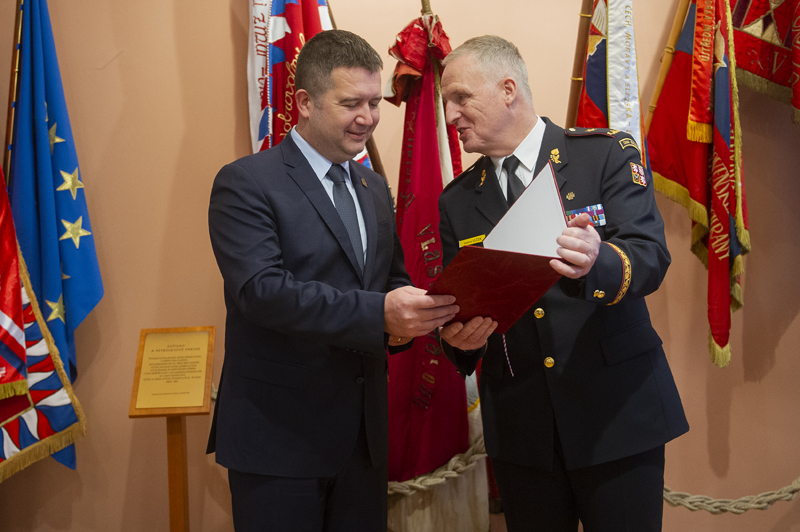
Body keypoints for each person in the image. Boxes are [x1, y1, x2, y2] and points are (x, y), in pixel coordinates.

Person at [206, 29, 458, 532]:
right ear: (304, 102)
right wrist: (379, 314)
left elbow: (390, 280)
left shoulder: (372, 187)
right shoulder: (246, 181)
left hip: (363, 443)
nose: (368, 117)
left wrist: (418, 317)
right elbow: (261, 291)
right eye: (350, 104)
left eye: (374, 102)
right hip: (278, 441)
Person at [437, 35, 689, 532]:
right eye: (448, 102)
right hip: (524, 433)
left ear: (508, 89)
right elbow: (460, 304)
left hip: (616, 414)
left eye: (461, 97)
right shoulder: (458, 199)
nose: (451, 115)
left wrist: (598, 260)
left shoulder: (604, 155)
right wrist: (459, 341)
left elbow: (650, 256)